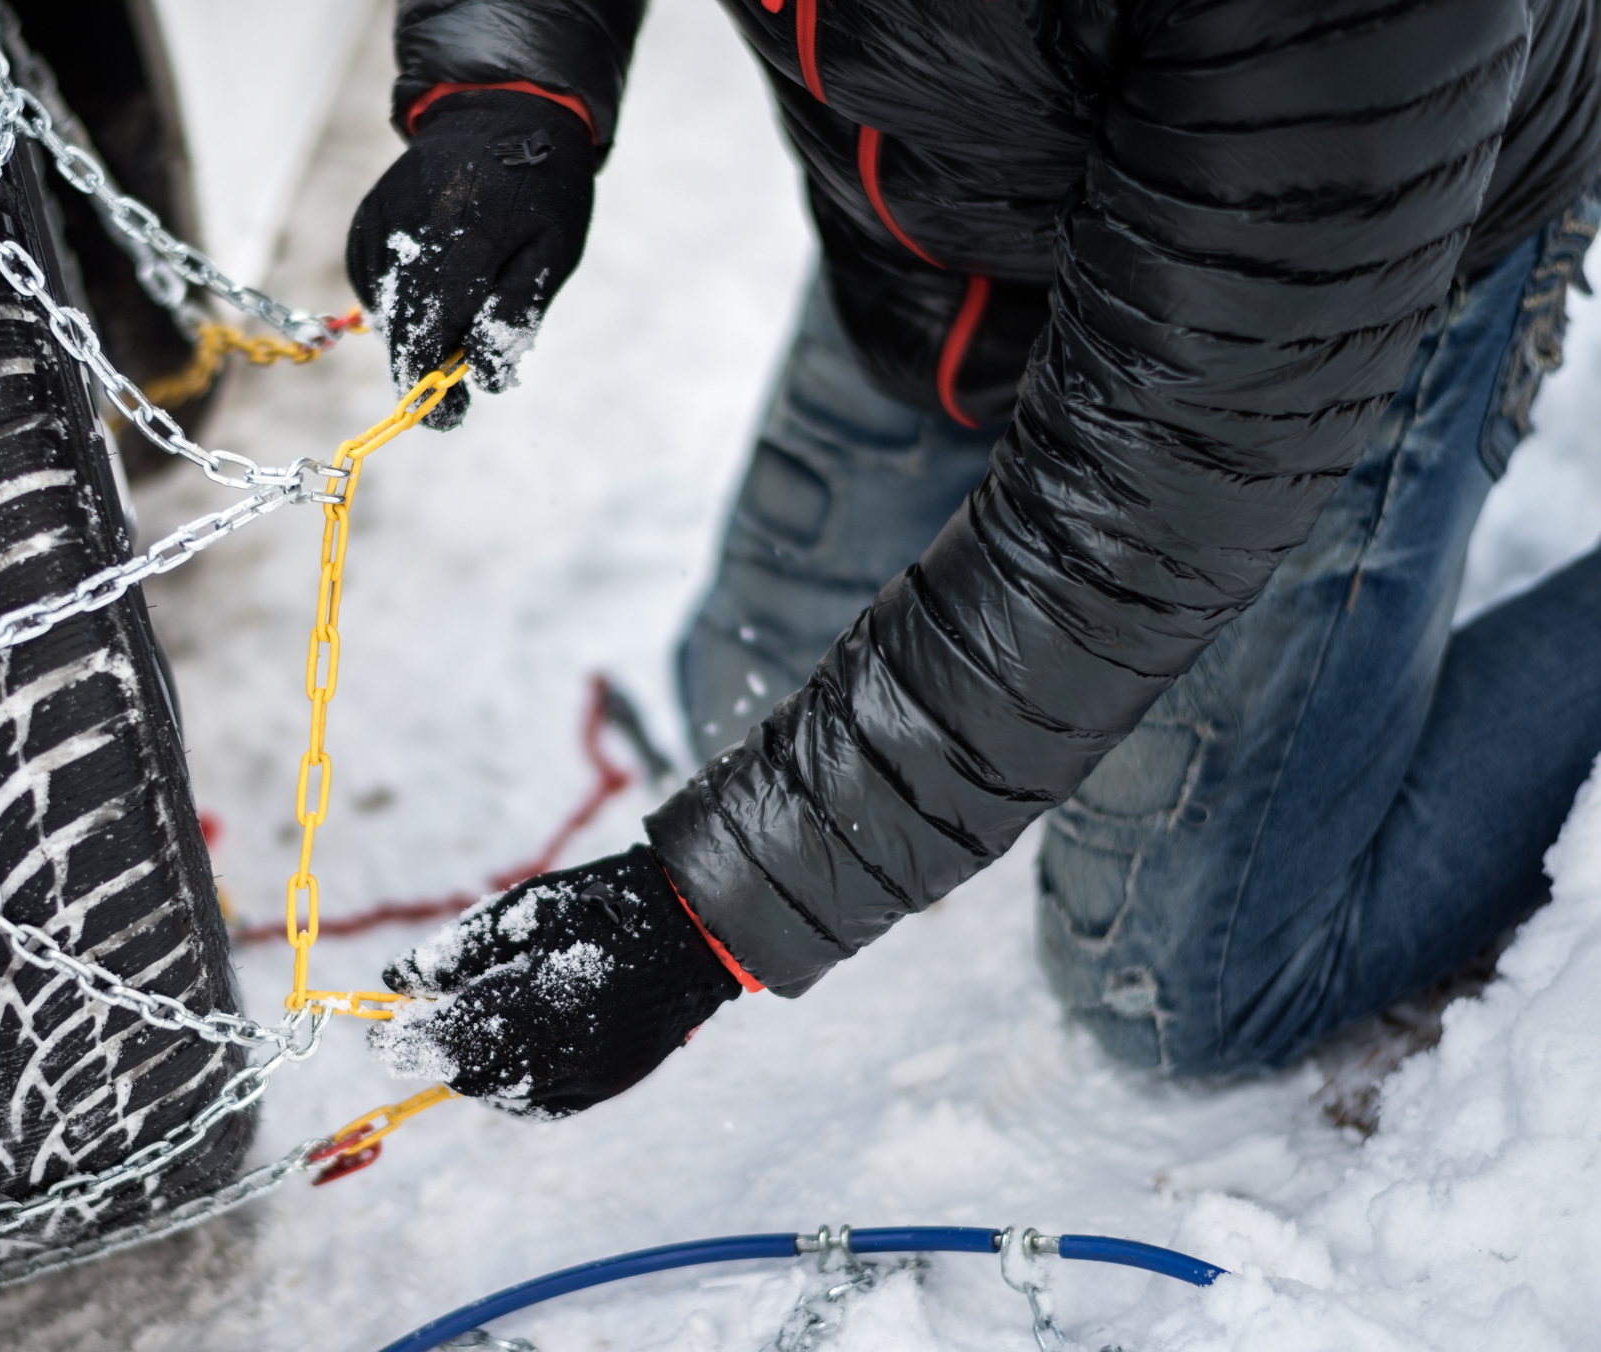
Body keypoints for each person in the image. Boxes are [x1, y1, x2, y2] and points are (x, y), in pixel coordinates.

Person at [347, 0, 1601, 1117]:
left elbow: (1132, 529)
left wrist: (699, 924)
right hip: (944, 223)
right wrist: (508, 92)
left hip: (1344, 277)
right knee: (736, 702)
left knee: (1175, 987)